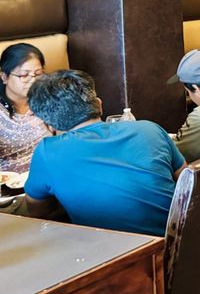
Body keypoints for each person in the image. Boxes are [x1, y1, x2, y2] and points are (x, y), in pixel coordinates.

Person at [23, 70, 186, 236]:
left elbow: (38, 212)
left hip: (124, 249)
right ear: (99, 105)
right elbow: (187, 181)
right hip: (183, 237)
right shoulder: (149, 129)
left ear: (48, 124)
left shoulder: (47, 152)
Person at [0, 43, 50, 173]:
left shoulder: (48, 100)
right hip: (10, 181)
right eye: (23, 75)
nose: (33, 81)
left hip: (49, 173)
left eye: (38, 74)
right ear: (4, 77)